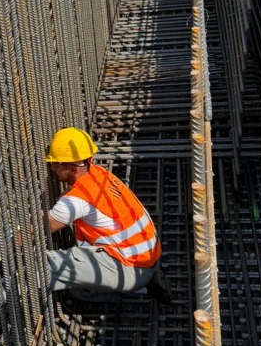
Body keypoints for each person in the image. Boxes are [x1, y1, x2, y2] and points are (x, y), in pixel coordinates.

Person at [44, 127, 169, 299]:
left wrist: (4, 247)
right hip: (144, 261)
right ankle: (144, 288)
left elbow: (38, 230)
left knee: (53, 266)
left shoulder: (78, 200)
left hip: (131, 268)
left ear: (73, 169)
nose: (52, 169)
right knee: (77, 290)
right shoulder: (98, 173)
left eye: (56, 164)